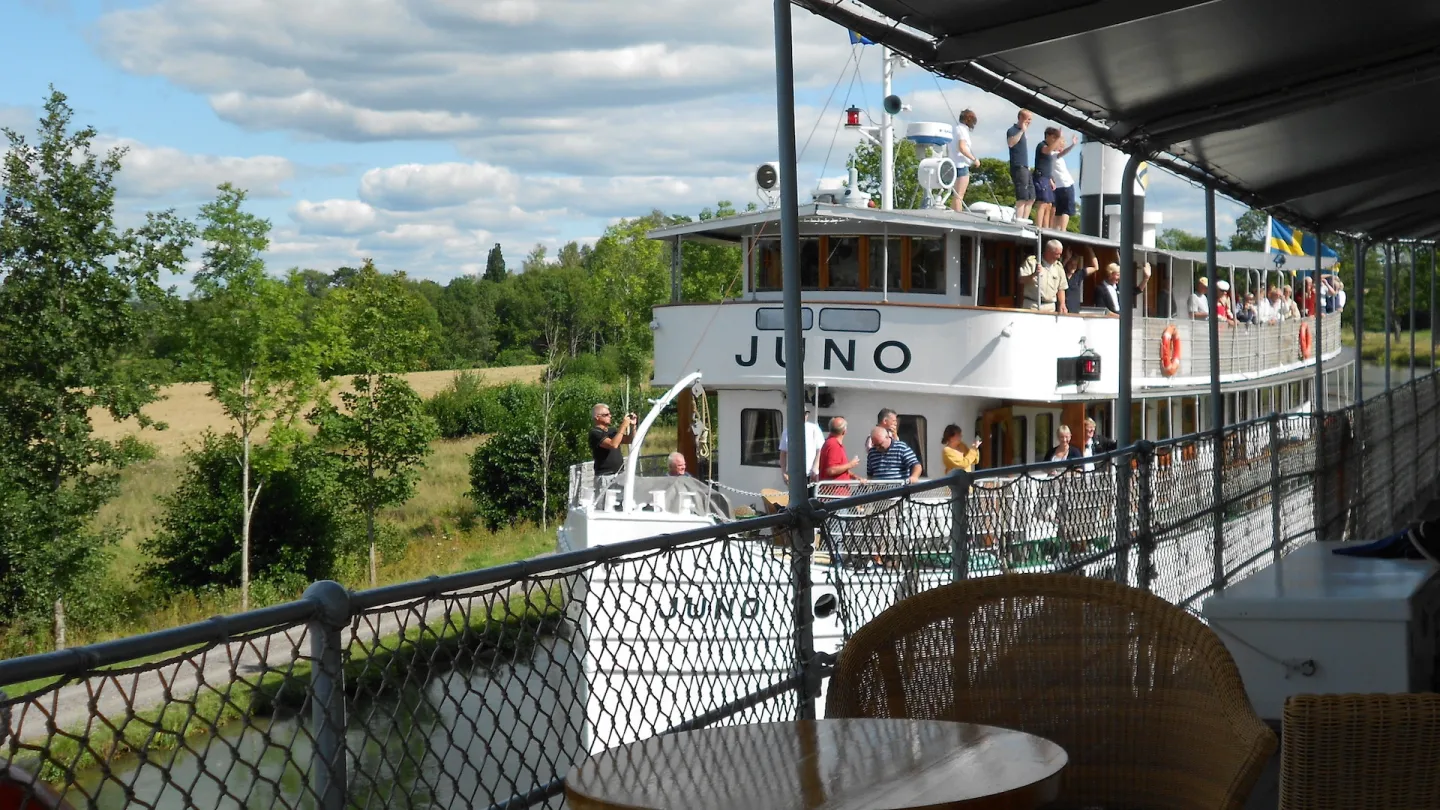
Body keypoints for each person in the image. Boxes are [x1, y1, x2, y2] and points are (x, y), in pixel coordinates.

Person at [777, 406, 826, 485]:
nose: (805, 416)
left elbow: (820, 450)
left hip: (811, 474)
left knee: (811, 497)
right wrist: (783, 472)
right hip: (793, 474)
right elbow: (783, 453)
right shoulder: (788, 431)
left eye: (806, 414)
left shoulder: (814, 428)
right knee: (794, 497)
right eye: (803, 414)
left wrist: (815, 468)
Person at [1019, 239, 1067, 312]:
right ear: (1048, 252)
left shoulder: (1058, 267)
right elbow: (1021, 280)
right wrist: (1033, 275)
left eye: (1060, 254)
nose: (1059, 257)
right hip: (1032, 305)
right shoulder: (1032, 262)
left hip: (1050, 307)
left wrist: (1062, 304)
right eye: (1057, 254)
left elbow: (1061, 288)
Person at [589, 403, 635, 477]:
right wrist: (623, 425)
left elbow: (630, 440)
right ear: (597, 417)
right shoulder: (595, 433)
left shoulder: (612, 431)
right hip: (605, 475)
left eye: (610, 414)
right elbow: (613, 444)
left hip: (620, 474)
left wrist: (633, 426)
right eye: (606, 415)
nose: (610, 416)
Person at [1006, 110, 1035, 222]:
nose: (1029, 122)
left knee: (1031, 196)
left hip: (1026, 166)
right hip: (1018, 166)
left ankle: (1024, 220)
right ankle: (1018, 219)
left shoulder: (1023, 132)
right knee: (1022, 195)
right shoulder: (1012, 130)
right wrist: (1022, 131)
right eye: (1028, 119)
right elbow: (1011, 143)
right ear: (1021, 118)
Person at [949, 109, 980, 212]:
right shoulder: (963, 130)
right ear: (969, 119)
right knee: (959, 196)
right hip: (961, 165)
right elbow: (962, 147)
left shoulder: (954, 129)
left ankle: (953, 216)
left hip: (952, 164)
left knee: (955, 196)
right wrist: (974, 159)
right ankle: (958, 217)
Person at [1032, 127, 1061, 229]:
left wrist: (1051, 180)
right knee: (1042, 203)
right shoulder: (1042, 145)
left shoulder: (1048, 148)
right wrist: (1058, 140)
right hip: (1040, 177)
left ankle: (1046, 227)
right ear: (1048, 136)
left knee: (1049, 205)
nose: (1054, 141)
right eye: (1054, 138)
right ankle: (1038, 227)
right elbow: (1047, 150)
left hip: (1046, 178)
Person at [1051, 134, 1080, 232]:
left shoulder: (1048, 156)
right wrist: (1073, 145)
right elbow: (1063, 153)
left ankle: (1056, 228)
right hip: (1066, 184)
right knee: (1066, 210)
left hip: (1058, 186)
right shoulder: (1054, 155)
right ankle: (1063, 229)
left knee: (1058, 210)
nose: (1062, 148)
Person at [1061, 245, 1098, 311]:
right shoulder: (1061, 273)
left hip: (1075, 310)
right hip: (1063, 310)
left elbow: (1095, 267)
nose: (1073, 266)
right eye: (1071, 264)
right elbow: (1059, 269)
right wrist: (1066, 259)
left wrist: (1089, 249)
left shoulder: (1078, 274)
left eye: (1075, 264)